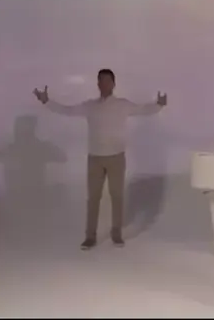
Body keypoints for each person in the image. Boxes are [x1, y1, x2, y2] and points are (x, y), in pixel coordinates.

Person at [33, 69, 166, 250]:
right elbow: (68, 110)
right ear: (98, 84)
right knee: (93, 198)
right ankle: (90, 237)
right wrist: (46, 101)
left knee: (117, 197)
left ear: (113, 84)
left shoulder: (122, 105)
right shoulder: (90, 106)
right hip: (95, 159)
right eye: (101, 81)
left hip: (116, 158)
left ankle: (116, 234)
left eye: (108, 81)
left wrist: (159, 105)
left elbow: (143, 110)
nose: (104, 84)